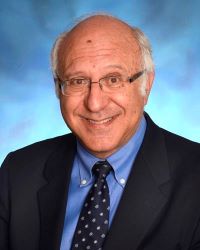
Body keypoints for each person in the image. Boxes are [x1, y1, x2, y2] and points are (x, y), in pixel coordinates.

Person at [0, 14, 200, 250]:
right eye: (77, 81)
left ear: (146, 84)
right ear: (57, 88)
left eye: (113, 79)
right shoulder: (18, 173)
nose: (95, 104)